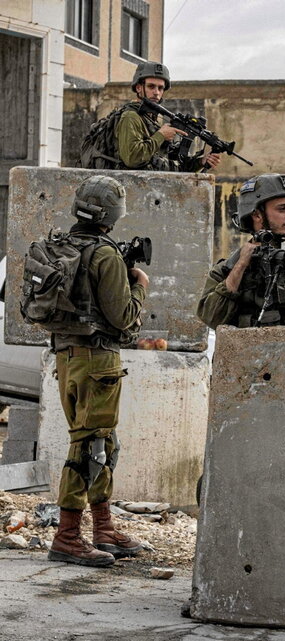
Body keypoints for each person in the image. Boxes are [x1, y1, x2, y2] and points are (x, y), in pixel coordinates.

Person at [47, 176, 149, 567]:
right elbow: (123, 318)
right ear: (113, 214)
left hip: (66, 357)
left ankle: (103, 528)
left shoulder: (64, 244)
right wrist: (139, 285)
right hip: (97, 360)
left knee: (102, 442)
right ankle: (67, 536)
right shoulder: (104, 254)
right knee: (89, 447)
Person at [197, 173, 285, 330]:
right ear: (257, 215)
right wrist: (240, 266)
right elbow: (211, 318)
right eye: (282, 209)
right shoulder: (226, 269)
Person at [85, 61, 220, 172]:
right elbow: (132, 158)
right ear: (139, 88)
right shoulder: (130, 117)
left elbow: (169, 164)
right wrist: (161, 135)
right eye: (151, 86)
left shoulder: (149, 119)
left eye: (160, 88)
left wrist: (201, 162)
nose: (156, 92)